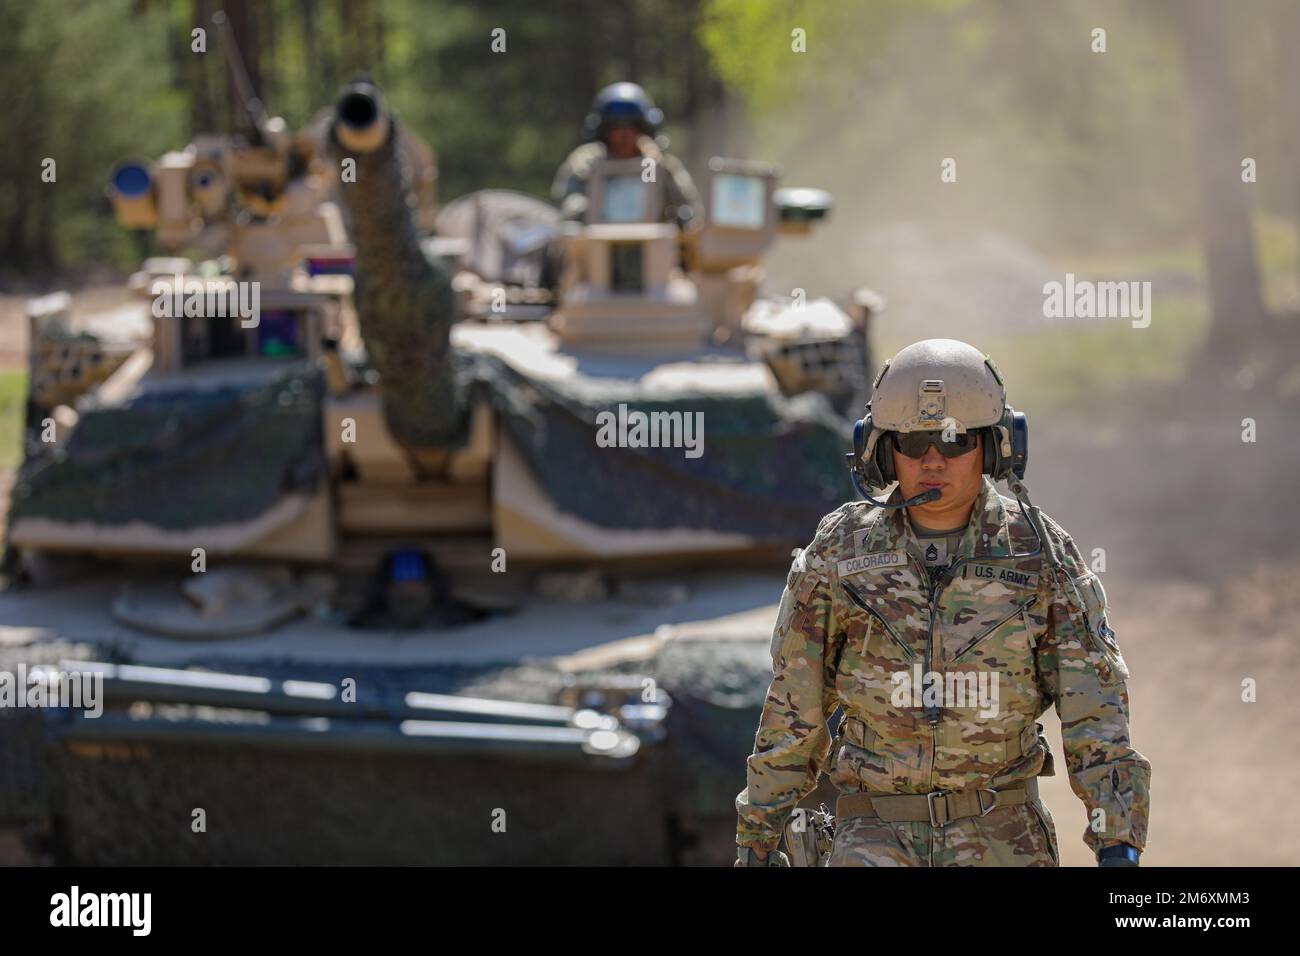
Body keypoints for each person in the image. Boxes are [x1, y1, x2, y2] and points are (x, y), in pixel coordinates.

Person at [735, 338, 1151, 867]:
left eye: (954, 440)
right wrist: (758, 837)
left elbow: (1095, 707)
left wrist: (1117, 840)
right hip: (873, 839)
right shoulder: (840, 552)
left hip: (1004, 839)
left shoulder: (1039, 554)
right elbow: (794, 708)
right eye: (914, 441)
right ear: (884, 450)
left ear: (995, 447)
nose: (933, 459)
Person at [551, 82, 700, 228]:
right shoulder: (587, 162)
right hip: (597, 243)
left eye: (632, 126)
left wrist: (653, 163)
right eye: (616, 126)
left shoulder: (654, 164)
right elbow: (567, 204)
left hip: (652, 243)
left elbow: (690, 212)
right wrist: (579, 211)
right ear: (605, 130)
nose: (624, 134)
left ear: (644, 128)